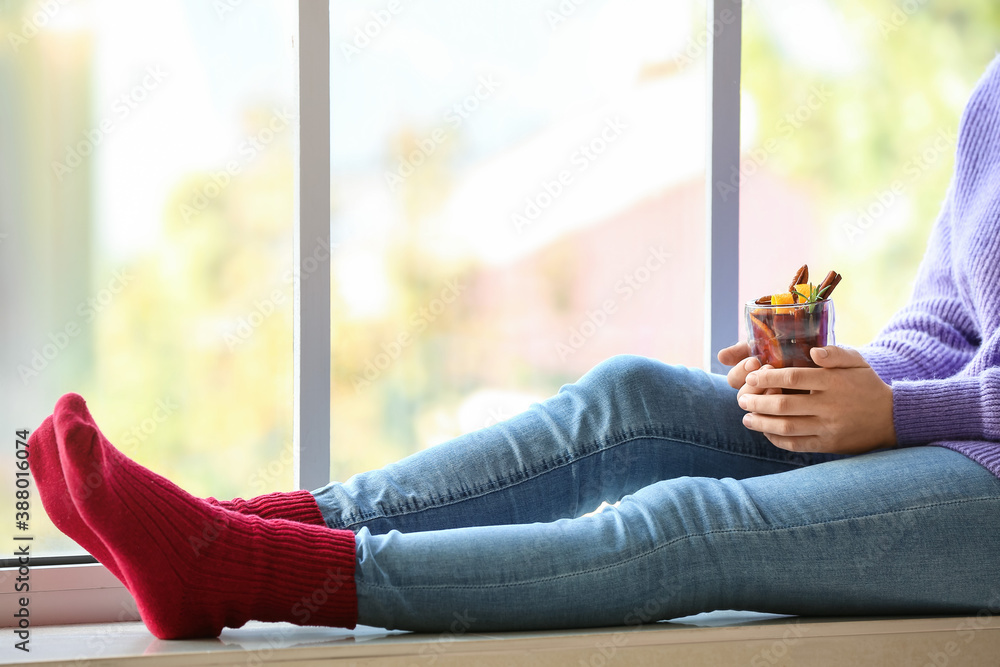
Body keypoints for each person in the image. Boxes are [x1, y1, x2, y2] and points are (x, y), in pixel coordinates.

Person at [30, 55, 1000, 640]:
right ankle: (232, 529)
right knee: (630, 397)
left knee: (686, 526)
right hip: (953, 433)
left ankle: (243, 570)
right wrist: (838, 383)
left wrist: (902, 411)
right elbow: (948, 324)